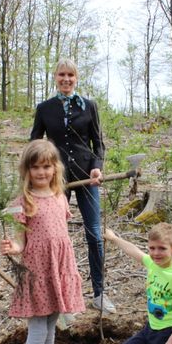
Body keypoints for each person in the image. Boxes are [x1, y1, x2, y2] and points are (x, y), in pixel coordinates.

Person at [0, 140, 86, 344]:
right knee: (37, 329)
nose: (41, 172)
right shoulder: (23, 202)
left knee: (51, 328)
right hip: (38, 272)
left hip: (58, 268)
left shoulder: (60, 197)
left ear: (55, 168)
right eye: (35, 167)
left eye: (46, 166)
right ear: (26, 170)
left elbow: (60, 235)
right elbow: (20, 241)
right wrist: (14, 247)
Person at [30, 59, 116, 314]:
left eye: (70, 75)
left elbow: (98, 143)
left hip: (87, 178)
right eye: (61, 75)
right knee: (55, 237)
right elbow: (34, 143)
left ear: (76, 78)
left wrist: (97, 166)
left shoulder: (89, 106)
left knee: (94, 235)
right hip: (56, 182)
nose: (66, 79)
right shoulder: (45, 108)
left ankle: (99, 293)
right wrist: (37, 176)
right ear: (55, 77)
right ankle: (56, 295)